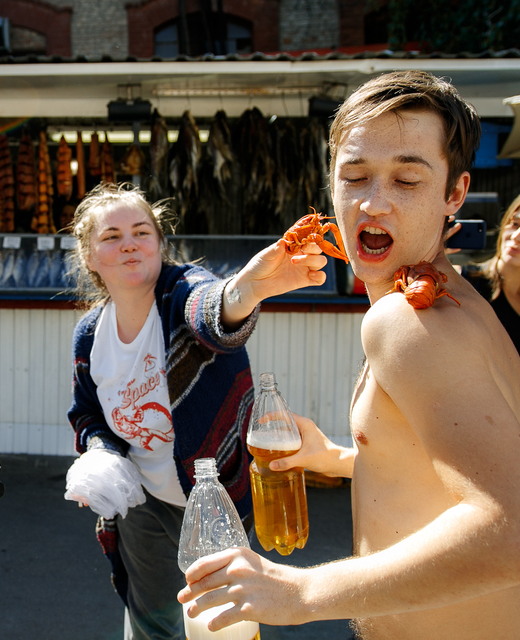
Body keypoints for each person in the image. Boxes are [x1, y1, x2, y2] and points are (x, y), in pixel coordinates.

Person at [177, 70, 520, 640]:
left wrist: (300, 593)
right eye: (354, 176)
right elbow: (443, 474)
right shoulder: (457, 302)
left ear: (454, 193)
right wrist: (335, 457)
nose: (374, 203)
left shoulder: (404, 319)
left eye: (407, 179)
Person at [65, 181, 329, 640]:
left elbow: (212, 311)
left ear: (159, 243)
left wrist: (245, 291)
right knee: (152, 625)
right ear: (89, 256)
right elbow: (86, 413)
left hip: (214, 499)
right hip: (141, 504)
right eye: (111, 236)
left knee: (224, 627)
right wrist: (101, 453)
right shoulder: (90, 333)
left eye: (141, 232)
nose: (129, 243)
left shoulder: (182, 291)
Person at [460, 185, 520, 626]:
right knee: (469, 577)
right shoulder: (463, 283)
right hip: (463, 452)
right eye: (515, 222)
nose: (517, 235)